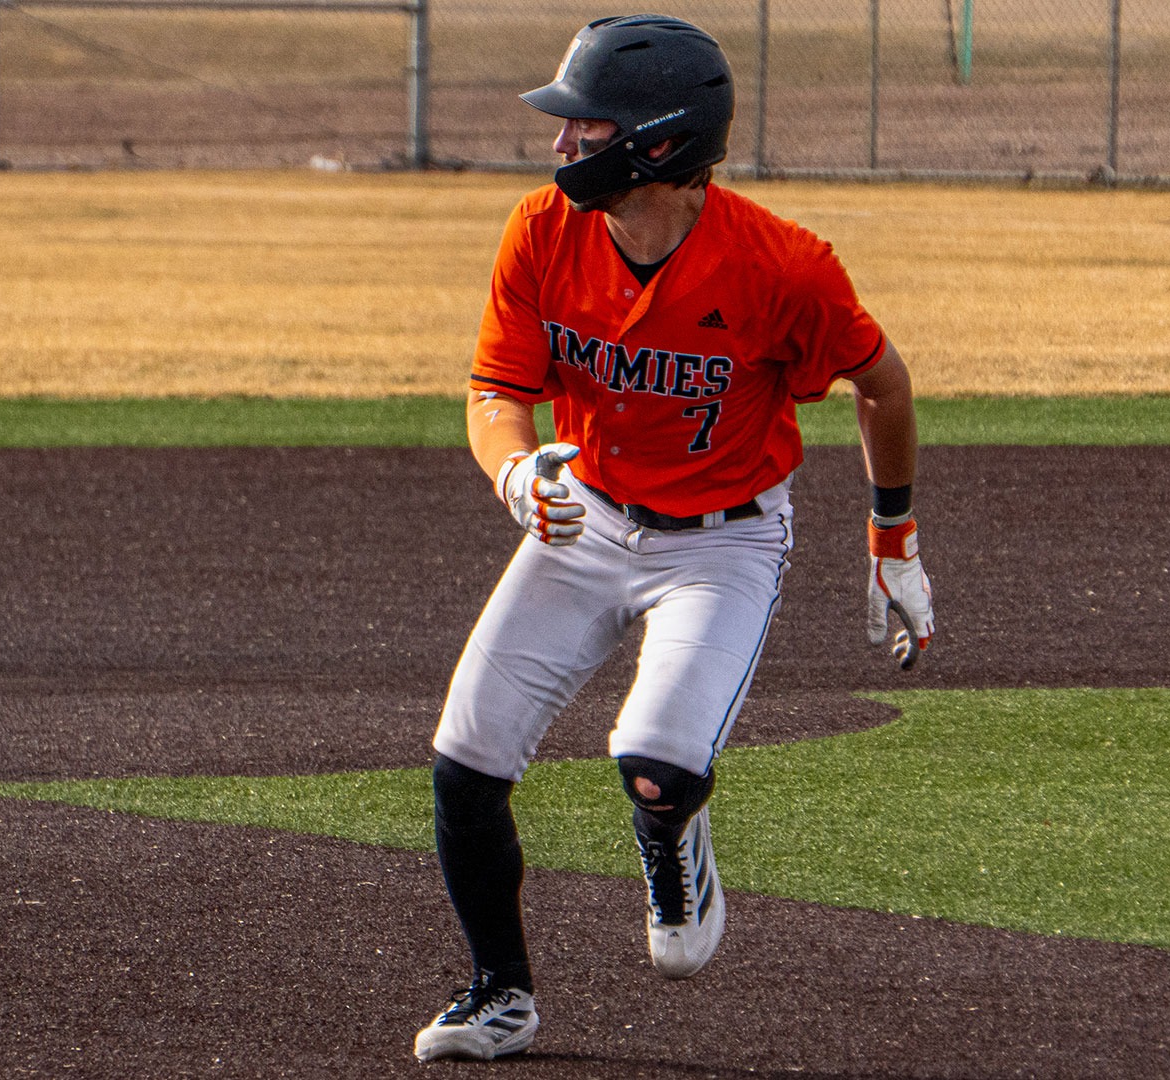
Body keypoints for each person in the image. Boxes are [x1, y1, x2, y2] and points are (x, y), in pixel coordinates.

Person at [412, 13, 934, 1063]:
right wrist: (515, 469)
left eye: (586, 125)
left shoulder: (783, 267)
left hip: (721, 545)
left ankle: (671, 826)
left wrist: (894, 540)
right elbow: (496, 390)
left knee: (651, 764)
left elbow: (881, 383)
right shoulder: (540, 234)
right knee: (465, 761)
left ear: (658, 145)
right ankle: (500, 993)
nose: (562, 144)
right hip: (586, 515)